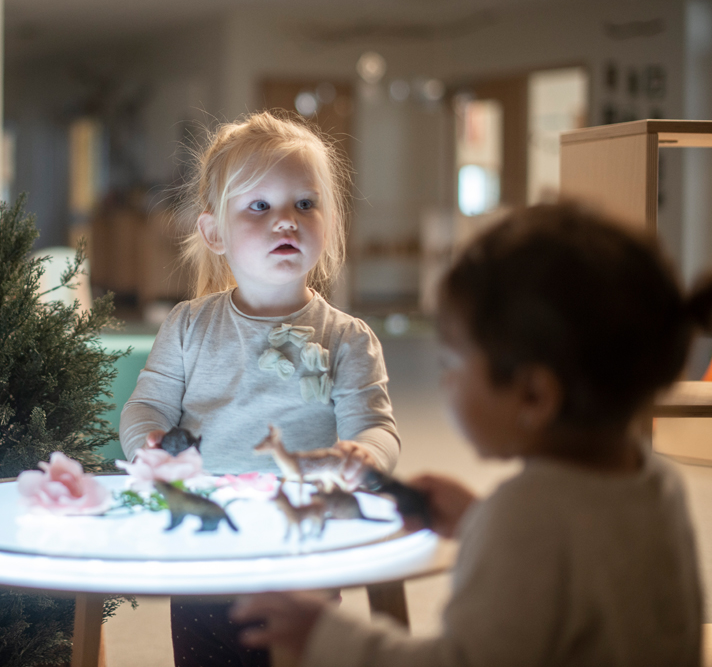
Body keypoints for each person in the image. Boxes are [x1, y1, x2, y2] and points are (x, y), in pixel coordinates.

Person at [231, 202, 712, 667]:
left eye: (452, 363)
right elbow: (581, 564)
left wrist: (325, 636)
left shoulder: (525, 517)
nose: (444, 383)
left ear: (533, 396)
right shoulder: (656, 484)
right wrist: (480, 523)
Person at [118, 111, 401, 666]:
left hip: (303, 552)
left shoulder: (347, 339)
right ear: (214, 233)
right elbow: (146, 405)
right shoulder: (188, 326)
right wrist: (147, 444)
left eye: (305, 203)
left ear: (329, 224)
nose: (286, 221)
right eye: (259, 206)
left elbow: (376, 427)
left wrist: (366, 455)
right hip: (205, 550)